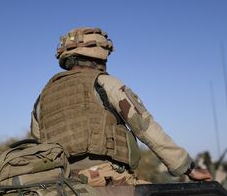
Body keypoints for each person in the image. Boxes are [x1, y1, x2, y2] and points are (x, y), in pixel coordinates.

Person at [30, 27, 212, 186]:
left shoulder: (43, 97)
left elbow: (39, 144)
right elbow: (145, 127)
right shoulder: (105, 83)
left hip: (64, 185)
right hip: (106, 178)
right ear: (99, 54)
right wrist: (187, 168)